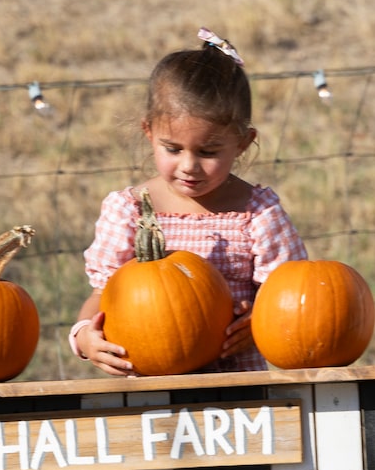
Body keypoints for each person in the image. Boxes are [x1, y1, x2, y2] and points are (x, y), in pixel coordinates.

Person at [69, 27, 308, 376]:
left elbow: (293, 297)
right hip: (150, 389)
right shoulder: (129, 212)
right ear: (149, 132)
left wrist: (261, 320)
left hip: (238, 389)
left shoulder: (258, 213)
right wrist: (85, 335)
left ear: (243, 143)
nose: (189, 166)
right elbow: (102, 295)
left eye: (208, 152)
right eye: (173, 149)